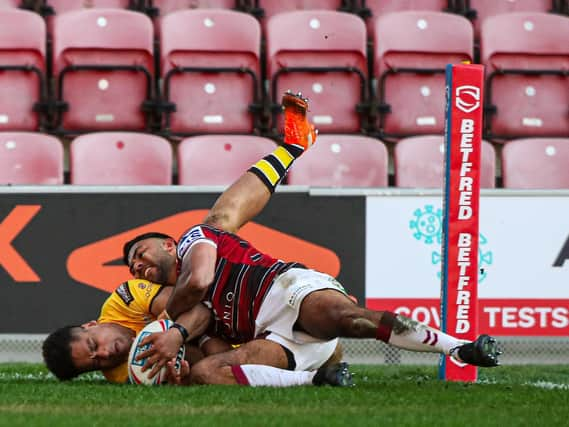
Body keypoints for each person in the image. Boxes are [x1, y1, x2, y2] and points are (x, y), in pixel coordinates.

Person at [123, 92, 501, 385]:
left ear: (169, 245)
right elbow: (216, 345)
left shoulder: (195, 241)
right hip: (278, 339)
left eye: (139, 253)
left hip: (287, 290)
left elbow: (200, 280)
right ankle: (320, 378)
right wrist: (181, 360)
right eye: (133, 268)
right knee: (207, 374)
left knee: (350, 320)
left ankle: (461, 348)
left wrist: (171, 327)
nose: (137, 266)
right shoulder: (190, 308)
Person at [42, 277, 352, 387]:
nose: (107, 354)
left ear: (91, 326)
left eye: (95, 344)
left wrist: (179, 334)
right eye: (97, 362)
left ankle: (333, 317)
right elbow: (196, 364)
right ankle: (319, 377)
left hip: (260, 321)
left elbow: (201, 307)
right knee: (207, 371)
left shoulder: (127, 298)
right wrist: (182, 372)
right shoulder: (121, 373)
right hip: (255, 350)